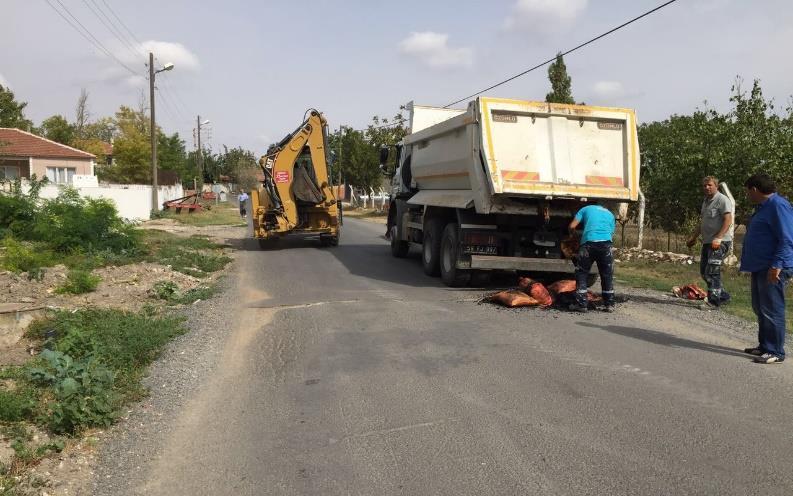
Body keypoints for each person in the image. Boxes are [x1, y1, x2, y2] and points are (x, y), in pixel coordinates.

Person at [740, 174, 793, 364]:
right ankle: (765, 345)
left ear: (755, 189)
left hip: (773, 267)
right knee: (760, 307)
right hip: (760, 266)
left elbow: (787, 238)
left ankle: (775, 351)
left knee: (772, 308)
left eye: (748, 192)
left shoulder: (778, 206)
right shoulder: (763, 207)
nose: (747, 195)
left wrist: (777, 264)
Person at [686, 176, 733, 309]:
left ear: (716, 186)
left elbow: (728, 220)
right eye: (704, 185)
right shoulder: (706, 202)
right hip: (708, 242)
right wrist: (693, 238)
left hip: (720, 242)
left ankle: (713, 302)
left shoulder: (722, 200)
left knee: (712, 271)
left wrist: (719, 237)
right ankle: (722, 296)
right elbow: (702, 223)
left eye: (710, 185)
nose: (707, 187)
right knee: (704, 272)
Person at [568, 203, 616, 313]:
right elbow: (611, 232)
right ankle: (609, 304)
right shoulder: (610, 214)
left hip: (589, 244)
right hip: (606, 245)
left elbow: (572, 226)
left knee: (582, 272)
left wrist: (573, 236)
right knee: (606, 274)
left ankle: (581, 304)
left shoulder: (584, 209)